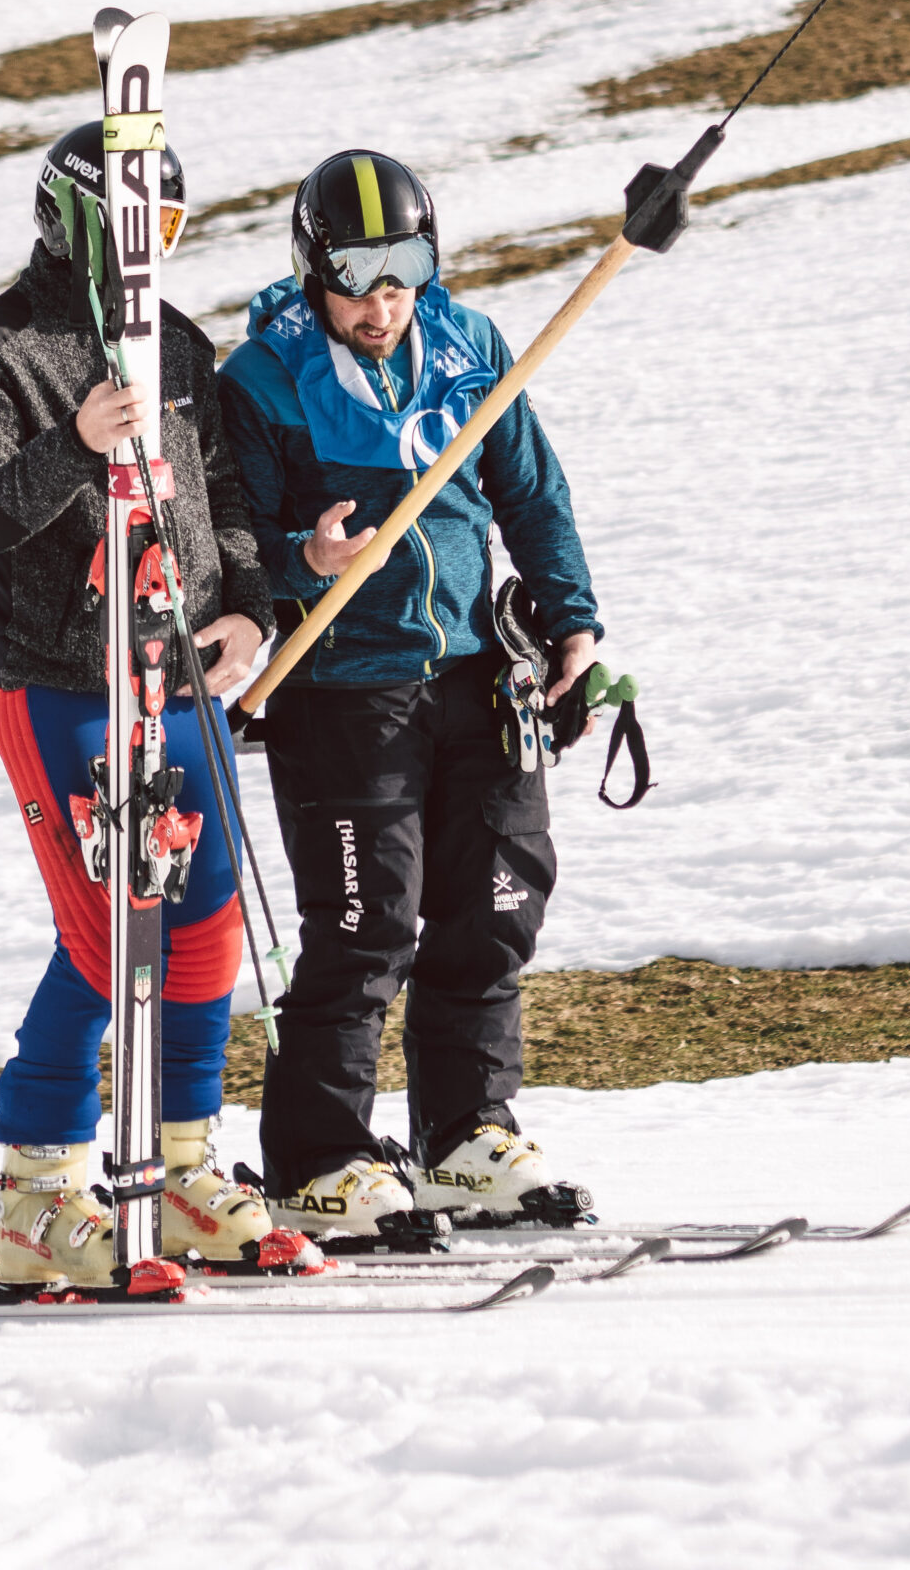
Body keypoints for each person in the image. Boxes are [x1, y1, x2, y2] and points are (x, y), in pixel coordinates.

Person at [217, 152, 603, 1236]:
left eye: (404, 277)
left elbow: (531, 491)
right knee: (364, 926)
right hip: (344, 687)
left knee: (494, 908)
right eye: (356, 281)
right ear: (313, 270)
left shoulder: (470, 345)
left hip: (479, 672)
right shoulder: (264, 378)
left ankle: (465, 1137)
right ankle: (321, 1158)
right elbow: (230, 538)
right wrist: (303, 561)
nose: (381, 306)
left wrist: (572, 617)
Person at [0, 124, 276, 1285]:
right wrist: (75, 446)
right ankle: (39, 1189)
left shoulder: (176, 341)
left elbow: (220, 489)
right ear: (72, 218)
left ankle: (179, 1168)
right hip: (59, 678)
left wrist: (248, 606)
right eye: (133, 224)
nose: (151, 248)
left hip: (178, 668)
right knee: (107, 924)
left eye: (166, 227)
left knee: (205, 912)